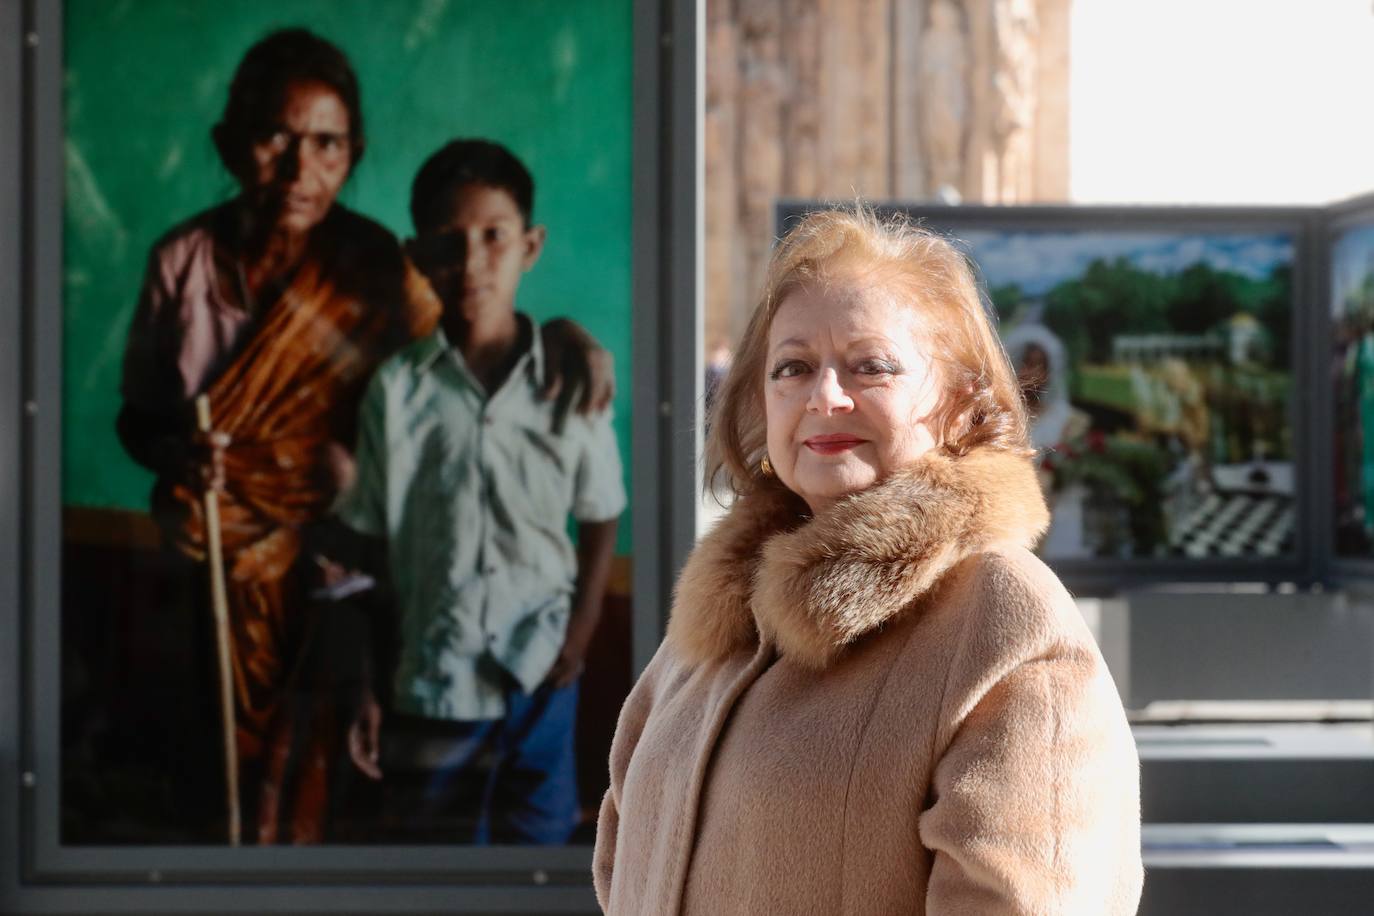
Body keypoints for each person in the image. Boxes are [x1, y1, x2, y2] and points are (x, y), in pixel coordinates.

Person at [116, 30, 610, 844]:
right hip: (219, 577)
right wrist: (179, 453)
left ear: (353, 153)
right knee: (216, 797)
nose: (300, 168)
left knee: (334, 800)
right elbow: (138, 418)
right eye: (276, 137)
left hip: (350, 587)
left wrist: (562, 333)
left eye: (327, 144)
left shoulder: (375, 267)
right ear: (231, 144)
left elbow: (469, 342)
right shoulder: (184, 262)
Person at [594, 207, 1142, 913]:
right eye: (792, 368)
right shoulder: (724, 616)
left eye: (870, 366)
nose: (825, 396)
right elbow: (622, 851)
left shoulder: (1006, 620)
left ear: (958, 402)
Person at [336, 139, 626, 845]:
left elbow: (600, 512)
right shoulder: (396, 391)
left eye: (493, 237)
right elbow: (370, 548)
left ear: (530, 246)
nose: (470, 262)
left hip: (544, 671)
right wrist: (365, 681)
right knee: (438, 861)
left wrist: (582, 627)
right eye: (448, 242)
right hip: (435, 678)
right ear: (417, 254)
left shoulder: (570, 380)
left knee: (540, 847)